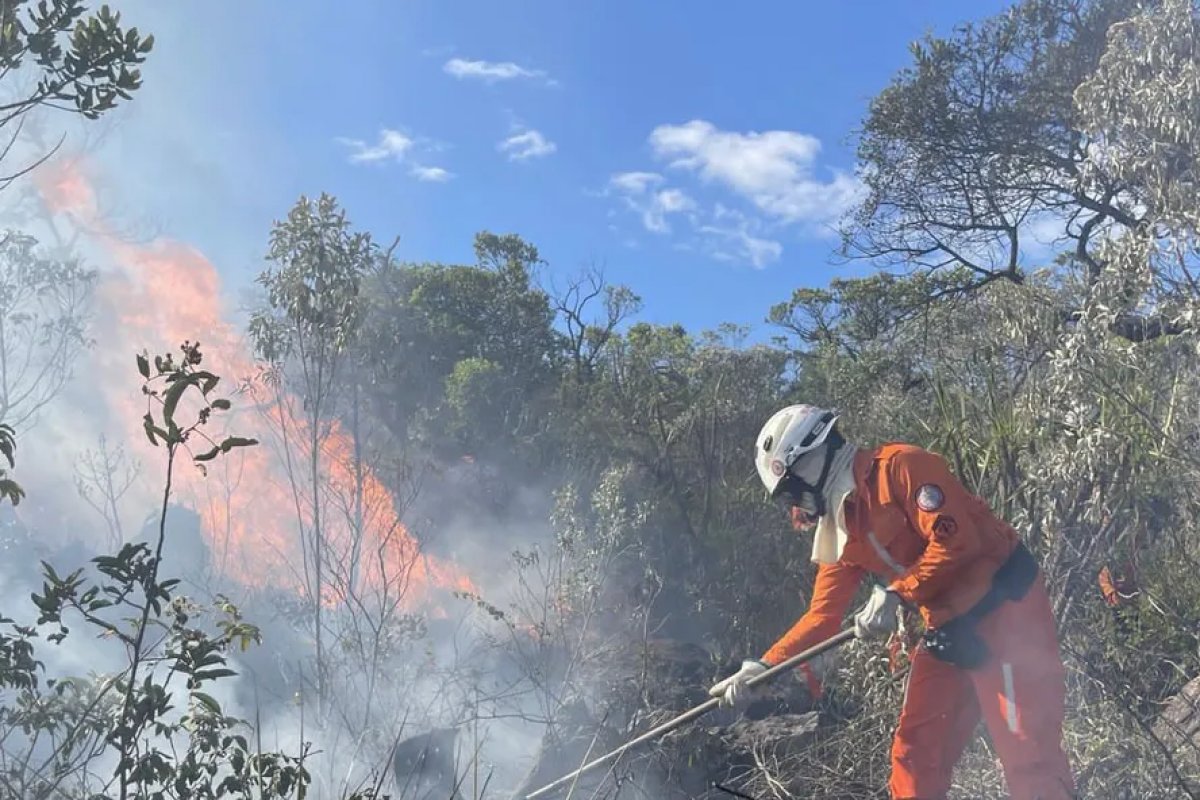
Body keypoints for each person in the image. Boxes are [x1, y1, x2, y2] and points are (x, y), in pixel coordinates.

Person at [708, 404, 1075, 800]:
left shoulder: (902, 467)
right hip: (948, 625)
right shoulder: (842, 527)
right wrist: (762, 668)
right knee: (915, 755)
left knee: (1026, 751)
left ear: (813, 459)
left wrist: (897, 591)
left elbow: (956, 540)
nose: (794, 505)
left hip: (1004, 609)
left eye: (792, 489)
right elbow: (822, 615)